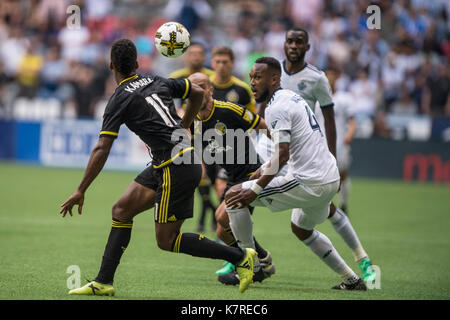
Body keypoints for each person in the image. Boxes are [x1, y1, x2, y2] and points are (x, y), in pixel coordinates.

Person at [60, 39, 257, 296]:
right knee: (121, 210)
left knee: (167, 241)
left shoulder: (118, 99)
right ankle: (103, 281)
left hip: (175, 166)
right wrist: (185, 125)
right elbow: (197, 92)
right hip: (172, 160)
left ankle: (240, 256)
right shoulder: (157, 80)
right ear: (137, 64)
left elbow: (101, 148)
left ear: (111, 65)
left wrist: (80, 189)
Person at [224, 57, 367, 290]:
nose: (252, 82)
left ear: (274, 79)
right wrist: (262, 169)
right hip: (329, 177)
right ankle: (351, 279)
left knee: (233, 197)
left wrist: (257, 189)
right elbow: (289, 149)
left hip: (309, 181)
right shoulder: (291, 98)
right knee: (301, 228)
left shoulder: (276, 107)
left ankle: (253, 265)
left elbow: (282, 154)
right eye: (251, 77)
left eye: (258, 77)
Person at [279, 28, 376, 282]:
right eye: (290, 41)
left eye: (299, 42)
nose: (293, 45)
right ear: (284, 44)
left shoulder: (316, 79)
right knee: (241, 196)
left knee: (321, 213)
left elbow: (330, 121)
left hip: (305, 155)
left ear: (307, 47)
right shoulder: (272, 72)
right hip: (275, 151)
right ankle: (239, 260)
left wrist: (331, 157)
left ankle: (361, 259)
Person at [188, 72, 276, 285]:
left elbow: (262, 125)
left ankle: (252, 268)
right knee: (224, 232)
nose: (198, 92)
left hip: (250, 173)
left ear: (210, 90)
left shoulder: (228, 110)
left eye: (202, 87)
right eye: (193, 88)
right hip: (231, 176)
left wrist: (282, 155)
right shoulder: (191, 121)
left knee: (221, 217)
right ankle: (262, 258)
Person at [168, 42, 217, 234]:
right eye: (192, 54)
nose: (196, 57)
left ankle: (210, 216)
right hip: (187, 136)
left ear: (204, 56)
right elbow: (170, 107)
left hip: (211, 136)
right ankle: (210, 215)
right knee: (199, 179)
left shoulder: (211, 78)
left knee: (207, 180)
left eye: (199, 53)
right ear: (187, 56)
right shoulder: (175, 79)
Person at [325, 66, 356, 213]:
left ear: (337, 77)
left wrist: (349, 134)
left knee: (342, 174)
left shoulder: (344, 98)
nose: (330, 78)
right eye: (327, 75)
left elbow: (352, 121)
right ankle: (326, 204)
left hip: (340, 143)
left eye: (332, 75)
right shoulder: (317, 98)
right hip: (321, 144)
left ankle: (343, 204)